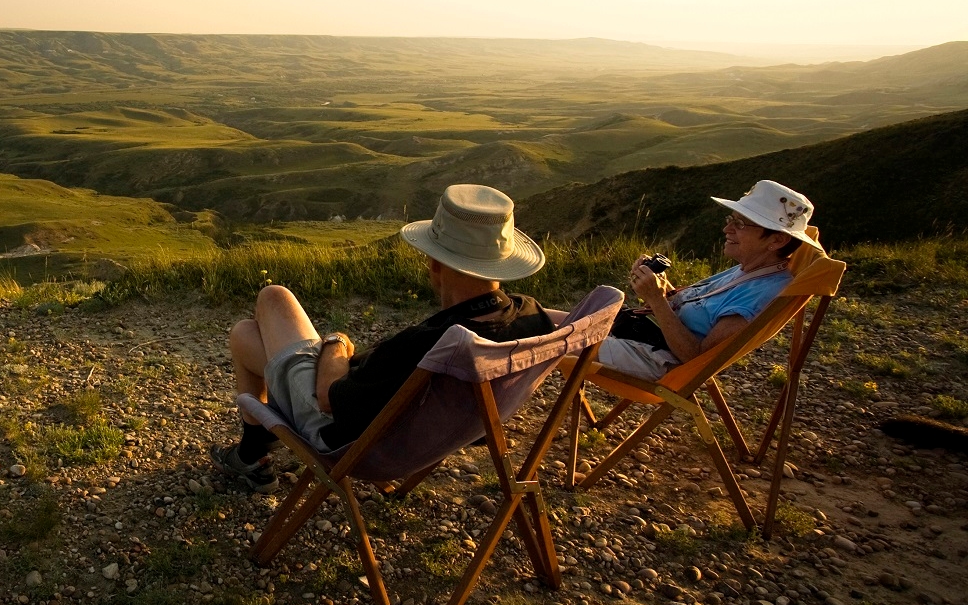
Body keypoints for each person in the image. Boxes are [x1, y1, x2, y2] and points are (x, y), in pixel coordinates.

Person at [211, 184, 557, 493]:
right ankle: (251, 452)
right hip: (425, 438)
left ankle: (253, 455)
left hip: (352, 442)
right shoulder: (531, 317)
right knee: (246, 333)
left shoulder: (437, 344)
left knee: (272, 298)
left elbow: (330, 397)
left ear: (435, 264)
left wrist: (336, 343)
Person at [596, 179, 821, 380]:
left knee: (561, 339)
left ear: (777, 241)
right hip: (643, 336)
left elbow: (697, 358)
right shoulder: (749, 270)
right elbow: (698, 311)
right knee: (564, 322)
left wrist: (657, 300)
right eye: (731, 220)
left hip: (655, 357)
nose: (726, 229)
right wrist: (663, 289)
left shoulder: (761, 293)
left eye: (740, 224)